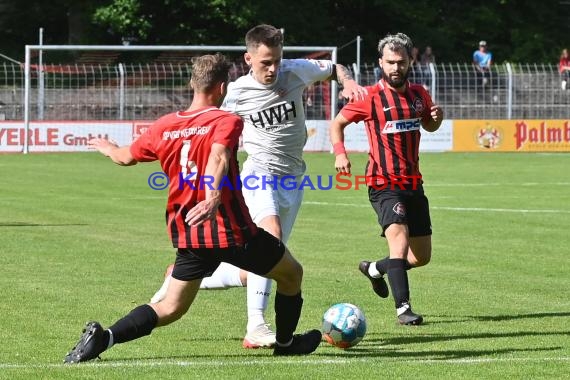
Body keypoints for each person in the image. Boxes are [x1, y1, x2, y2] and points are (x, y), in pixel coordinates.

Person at [63, 53, 322, 363]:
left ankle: (105, 339)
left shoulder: (165, 125)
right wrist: (213, 197)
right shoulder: (225, 120)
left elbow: (126, 157)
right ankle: (285, 342)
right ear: (223, 87)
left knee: (171, 308)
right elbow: (218, 157)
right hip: (231, 230)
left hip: (190, 232)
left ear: (192, 83)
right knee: (292, 274)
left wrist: (108, 149)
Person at [150, 24, 366, 349]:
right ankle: (256, 326)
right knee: (272, 239)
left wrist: (348, 82)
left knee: (270, 263)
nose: (273, 69)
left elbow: (335, 68)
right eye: (266, 62)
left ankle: (187, 278)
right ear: (248, 58)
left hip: (294, 178)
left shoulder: (296, 72)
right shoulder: (235, 92)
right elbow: (209, 130)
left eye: (277, 60)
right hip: (258, 173)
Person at [329, 33, 443, 326]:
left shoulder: (419, 94)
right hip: (383, 183)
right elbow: (337, 123)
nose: (395, 68)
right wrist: (340, 153)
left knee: (421, 257)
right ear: (381, 62)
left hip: (413, 183)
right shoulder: (369, 98)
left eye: (401, 62)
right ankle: (403, 310)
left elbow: (429, 126)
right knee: (399, 243)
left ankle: (375, 270)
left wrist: (436, 119)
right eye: (390, 62)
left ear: (410, 61)